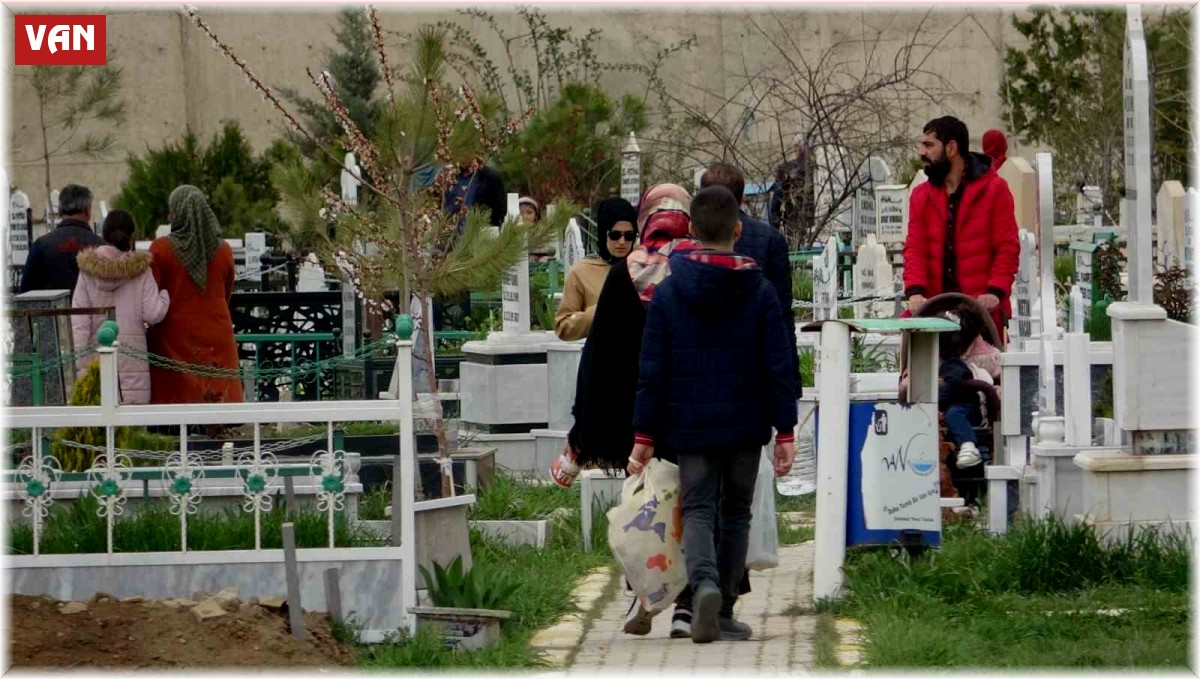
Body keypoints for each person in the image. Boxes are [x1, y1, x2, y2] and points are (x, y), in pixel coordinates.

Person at [628, 185, 798, 643]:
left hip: (689, 424)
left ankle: (701, 584)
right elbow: (777, 364)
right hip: (746, 423)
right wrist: (786, 430)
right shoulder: (759, 292)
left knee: (699, 509)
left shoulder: (668, 292)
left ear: (691, 232)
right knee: (736, 513)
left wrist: (644, 435)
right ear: (737, 230)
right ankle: (722, 608)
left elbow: (652, 369)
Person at [549, 183, 708, 638]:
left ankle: (643, 592)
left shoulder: (626, 274)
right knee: (691, 506)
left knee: (645, 507)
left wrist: (583, 429)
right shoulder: (699, 267)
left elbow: (599, 356)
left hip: (635, 409)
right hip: (690, 407)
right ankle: (685, 604)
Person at [902, 116, 1020, 338]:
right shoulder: (920, 196)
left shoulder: (995, 190)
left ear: (951, 148)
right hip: (934, 315)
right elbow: (915, 248)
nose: (921, 152)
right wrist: (915, 292)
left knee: (982, 372)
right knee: (918, 368)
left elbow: (1007, 247)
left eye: (929, 145)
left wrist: (994, 292)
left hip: (982, 316)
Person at [700, 163, 800, 397]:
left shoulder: (687, 240)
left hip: (699, 370)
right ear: (742, 198)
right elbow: (782, 315)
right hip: (753, 371)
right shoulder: (769, 240)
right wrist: (789, 383)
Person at [146, 185, 243, 404]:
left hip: (173, 341)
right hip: (217, 338)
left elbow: (151, 297)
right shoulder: (224, 250)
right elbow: (225, 294)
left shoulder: (160, 249)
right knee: (218, 411)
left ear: (177, 212)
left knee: (178, 414)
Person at [71, 210, 171, 404]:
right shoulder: (141, 271)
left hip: (96, 359)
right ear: (131, 236)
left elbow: (79, 321)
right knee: (132, 423)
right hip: (132, 361)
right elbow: (153, 314)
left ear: (104, 235)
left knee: (100, 425)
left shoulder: (87, 272)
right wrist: (165, 296)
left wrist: (80, 363)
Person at [554, 197, 638, 341]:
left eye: (629, 236)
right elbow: (563, 327)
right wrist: (598, 312)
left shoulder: (641, 267)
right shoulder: (582, 273)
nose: (622, 242)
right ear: (602, 233)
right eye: (615, 235)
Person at [19, 184, 104, 294]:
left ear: (59, 211)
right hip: (92, 310)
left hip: (50, 311)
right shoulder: (101, 246)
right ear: (88, 210)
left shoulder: (40, 245)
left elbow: (26, 292)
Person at [768, 135, 816, 240]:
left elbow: (775, 205)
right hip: (818, 226)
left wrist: (773, 231)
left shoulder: (786, 169)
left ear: (796, 149)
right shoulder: (820, 169)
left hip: (793, 226)